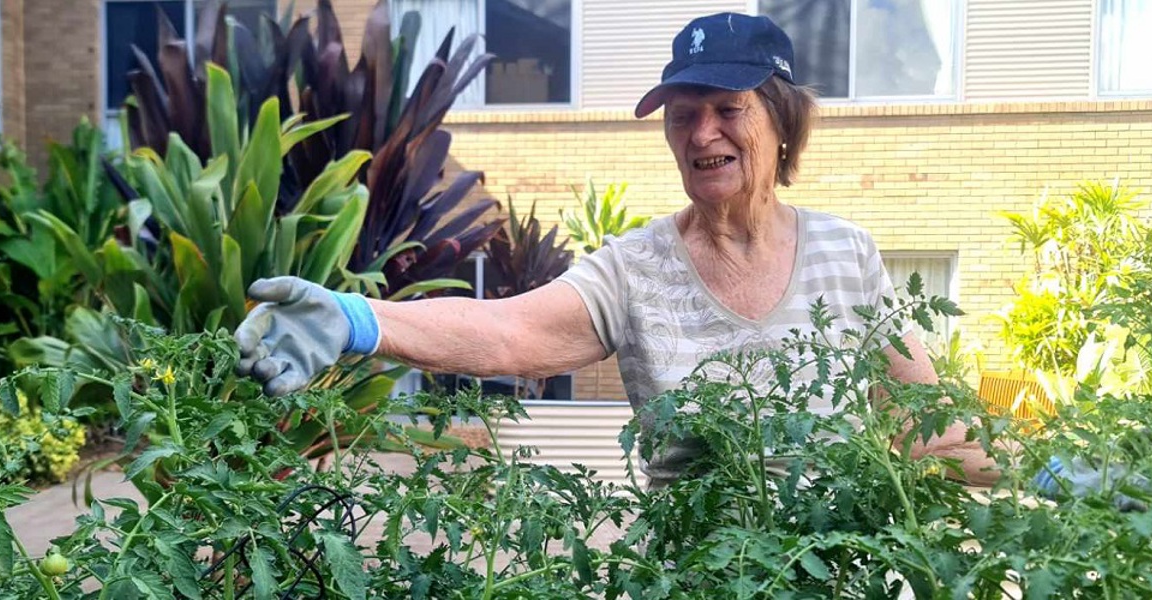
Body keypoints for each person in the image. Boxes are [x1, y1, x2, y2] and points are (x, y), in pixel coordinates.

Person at [234, 12, 1001, 489]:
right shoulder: (636, 268)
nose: (701, 134)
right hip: (696, 578)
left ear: (783, 123)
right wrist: (358, 319)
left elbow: (928, 429)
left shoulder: (848, 254)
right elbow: (510, 332)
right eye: (682, 115)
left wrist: (1042, 470)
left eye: (727, 109)